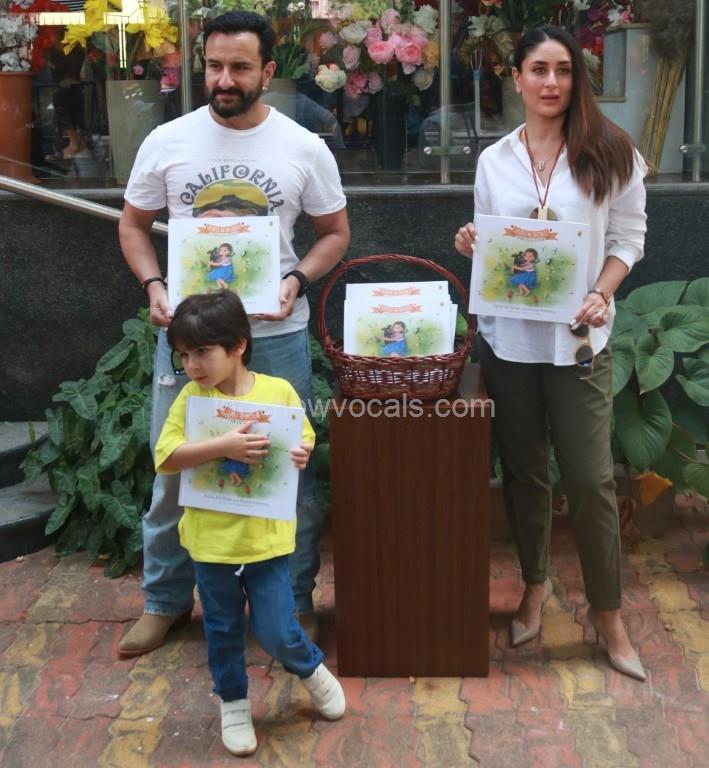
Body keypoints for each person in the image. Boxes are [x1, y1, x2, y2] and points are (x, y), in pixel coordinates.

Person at [118, 10, 350, 657]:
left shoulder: (303, 147)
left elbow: (335, 234)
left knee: (287, 467)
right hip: (191, 340)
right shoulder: (167, 141)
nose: (225, 79)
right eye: (215, 65)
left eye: (240, 67)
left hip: (276, 334)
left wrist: (296, 279)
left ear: (267, 71)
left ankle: (292, 602)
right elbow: (132, 225)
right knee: (174, 469)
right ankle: (164, 601)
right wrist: (154, 285)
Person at [454, 26, 648, 681]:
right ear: (515, 78)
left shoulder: (611, 150)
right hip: (509, 340)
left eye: (562, 70)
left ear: (576, 78)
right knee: (525, 472)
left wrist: (600, 291)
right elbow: (492, 238)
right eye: (537, 69)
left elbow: (628, 237)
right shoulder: (494, 159)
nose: (550, 83)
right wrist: (472, 241)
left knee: (590, 480)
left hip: (578, 341)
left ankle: (608, 614)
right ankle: (534, 587)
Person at [155, 290, 345, 756]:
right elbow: (166, 456)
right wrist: (223, 447)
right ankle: (234, 703)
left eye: (202, 352)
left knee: (278, 628)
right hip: (211, 544)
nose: (192, 365)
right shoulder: (190, 398)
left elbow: (302, 436)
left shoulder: (277, 392)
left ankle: (310, 668)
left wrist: (301, 451)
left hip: (265, 541)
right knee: (222, 630)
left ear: (239, 345)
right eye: (184, 355)